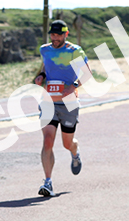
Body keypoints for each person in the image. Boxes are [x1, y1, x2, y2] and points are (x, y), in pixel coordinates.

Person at [33, 20, 92, 198]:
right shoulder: (45, 49)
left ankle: (75, 152)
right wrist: (41, 75)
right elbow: (46, 66)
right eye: (53, 34)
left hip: (69, 103)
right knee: (48, 141)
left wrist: (73, 86)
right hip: (48, 101)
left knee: (67, 143)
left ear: (66, 34)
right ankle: (48, 182)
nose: (55, 38)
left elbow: (87, 74)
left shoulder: (74, 51)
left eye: (59, 35)